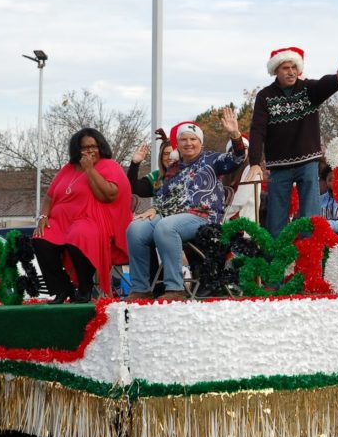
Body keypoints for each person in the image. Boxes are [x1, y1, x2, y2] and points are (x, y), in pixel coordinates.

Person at [126, 108, 246, 301]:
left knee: (166, 226)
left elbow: (237, 158)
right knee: (135, 228)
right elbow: (164, 197)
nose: (188, 143)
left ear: (200, 142)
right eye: (184, 139)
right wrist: (155, 208)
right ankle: (141, 288)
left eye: (193, 139)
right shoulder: (173, 168)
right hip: (171, 216)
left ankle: (175, 288)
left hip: (203, 217)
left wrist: (235, 135)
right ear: (178, 144)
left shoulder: (212, 160)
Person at [246, 46, 338, 237]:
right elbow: (257, 129)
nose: (291, 72)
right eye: (285, 68)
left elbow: (322, 86)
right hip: (279, 165)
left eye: (294, 67)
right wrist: (254, 162)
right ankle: (275, 262)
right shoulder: (265, 96)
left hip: (307, 161)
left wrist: (337, 81)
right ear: (276, 70)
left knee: (310, 215)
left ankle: (312, 260)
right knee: (276, 217)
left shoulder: (307, 89)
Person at [33, 128, 132, 304]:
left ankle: (85, 289)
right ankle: (63, 289)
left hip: (92, 220)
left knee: (79, 235)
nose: (89, 150)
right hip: (61, 221)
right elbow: (50, 196)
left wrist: (89, 169)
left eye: (93, 146)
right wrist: (43, 216)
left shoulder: (110, 165)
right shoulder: (67, 169)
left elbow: (108, 195)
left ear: (100, 146)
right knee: (41, 238)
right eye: (84, 147)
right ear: (76, 150)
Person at [223, 135, 258, 222]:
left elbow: (240, 201)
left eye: (245, 148)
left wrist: (219, 217)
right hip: (228, 223)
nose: (242, 151)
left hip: (245, 225)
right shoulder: (226, 173)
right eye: (235, 148)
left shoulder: (251, 169)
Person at [128, 131, 172, 198]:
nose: (169, 157)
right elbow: (133, 189)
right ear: (161, 157)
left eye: (173, 153)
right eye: (166, 154)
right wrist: (135, 163)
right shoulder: (156, 177)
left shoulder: (188, 174)